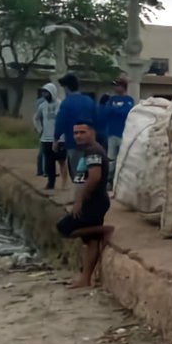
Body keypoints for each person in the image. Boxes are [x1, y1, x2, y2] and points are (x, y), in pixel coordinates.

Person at [55, 120, 113, 288]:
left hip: (93, 202)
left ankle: (105, 230)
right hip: (92, 202)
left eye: (82, 132)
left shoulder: (93, 151)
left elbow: (94, 178)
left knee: (64, 229)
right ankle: (85, 279)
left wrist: (79, 201)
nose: (78, 136)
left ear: (92, 132)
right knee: (91, 242)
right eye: (75, 133)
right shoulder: (87, 151)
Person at [53, 73, 97, 187]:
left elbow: (60, 122)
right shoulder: (89, 101)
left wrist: (56, 139)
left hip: (73, 143)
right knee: (91, 170)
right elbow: (97, 119)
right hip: (90, 143)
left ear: (67, 88)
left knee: (77, 173)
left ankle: (81, 199)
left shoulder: (66, 103)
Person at [99, 75, 136, 184]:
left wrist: (113, 110)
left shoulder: (129, 100)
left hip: (123, 134)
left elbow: (126, 112)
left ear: (123, 87)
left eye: (117, 85)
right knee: (111, 159)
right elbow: (105, 113)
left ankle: (121, 181)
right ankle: (109, 180)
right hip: (111, 133)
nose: (115, 88)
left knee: (123, 159)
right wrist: (115, 110)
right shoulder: (112, 99)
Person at [33, 83, 62, 190]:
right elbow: (36, 118)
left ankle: (64, 183)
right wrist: (40, 129)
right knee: (49, 162)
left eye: (46, 92)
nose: (44, 94)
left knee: (61, 161)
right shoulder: (42, 106)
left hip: (58, 138)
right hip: (45, 138)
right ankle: (51, 183)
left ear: (52, 92)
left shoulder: (60, 104)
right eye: (43, 92)